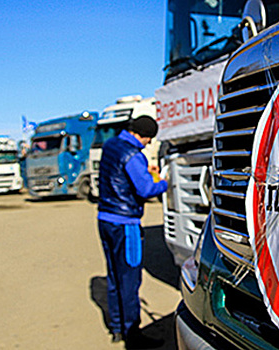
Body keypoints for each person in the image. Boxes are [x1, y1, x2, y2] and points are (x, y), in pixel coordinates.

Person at [97, 116, 167, 348]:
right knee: (130, 279)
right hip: (126, 224)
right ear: (143, 134)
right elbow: (146, 188)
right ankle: (133, 334)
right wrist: (165, 181)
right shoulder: (134, 155)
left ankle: (117, 328)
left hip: (105, 218)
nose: (148, 143)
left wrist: (145, 170)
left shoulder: (112, 146)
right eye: (149, 138)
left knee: (114, 275)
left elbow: (120, 175)